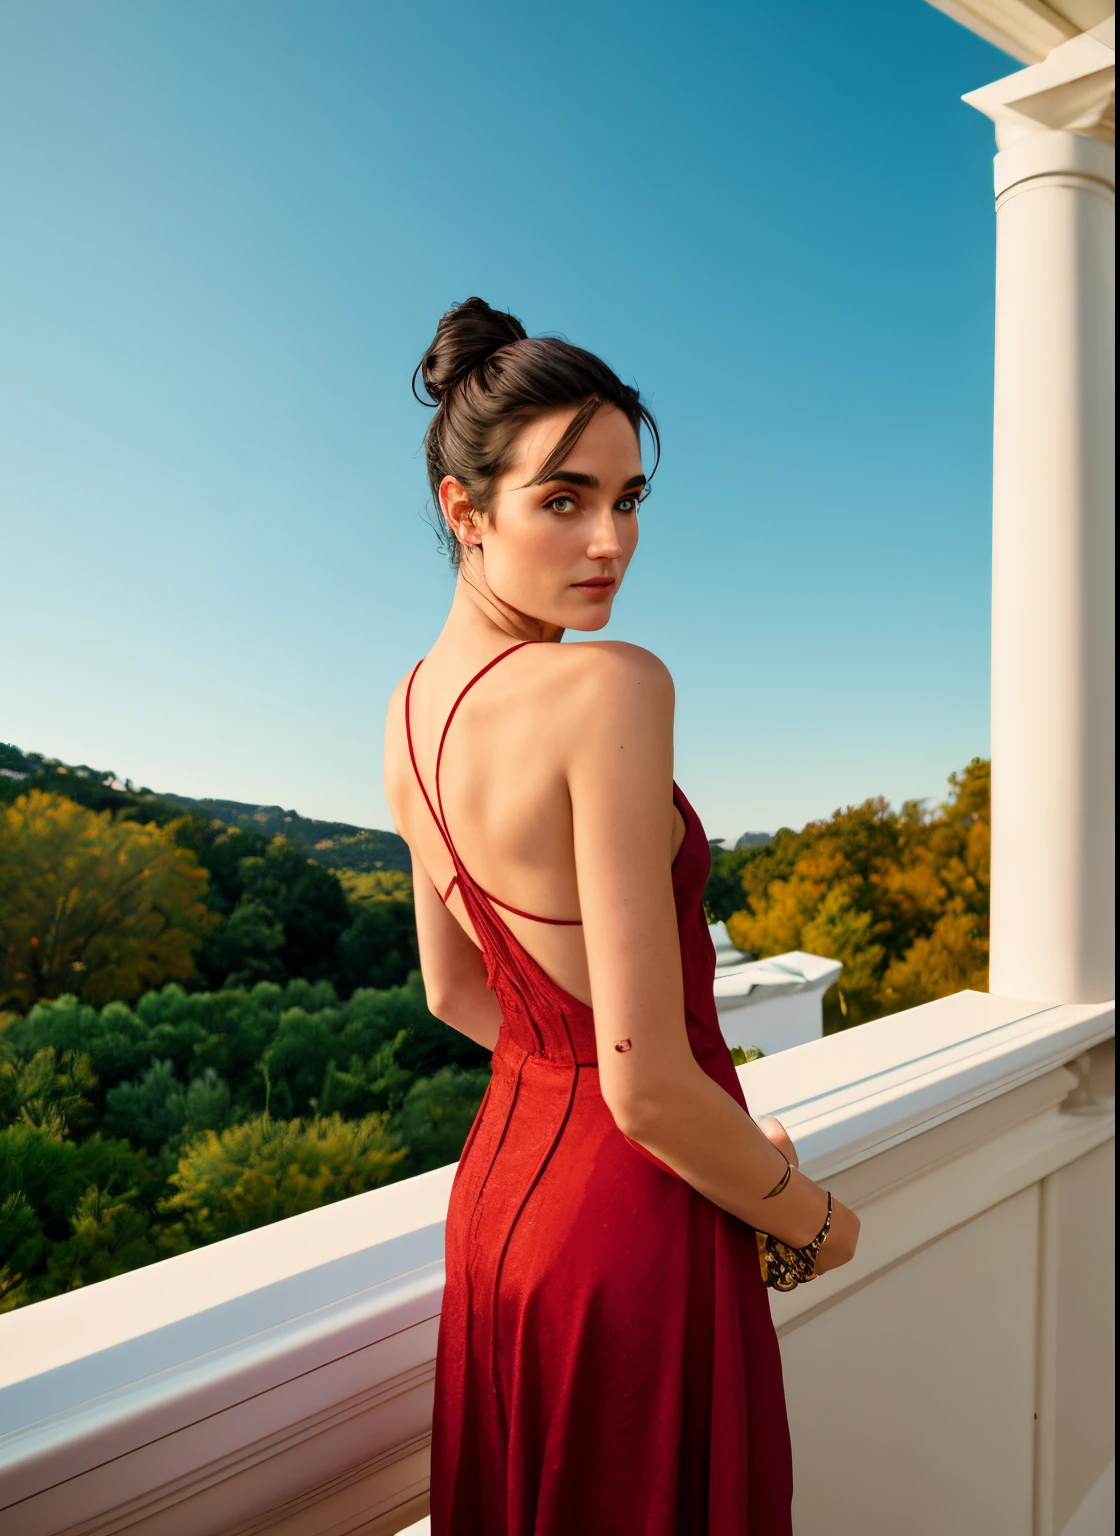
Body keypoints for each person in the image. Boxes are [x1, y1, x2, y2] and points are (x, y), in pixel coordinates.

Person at [383, 298, 860, 1535]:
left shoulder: (405, 711)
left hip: (498, 1218)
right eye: (563, 500)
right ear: (464, 511)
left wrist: (578, 1094)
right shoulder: (609, 685)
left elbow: (455, 994)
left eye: (629, 498)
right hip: (631, 1222)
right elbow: (644, 1087)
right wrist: (808, 1218)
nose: (611, 540)